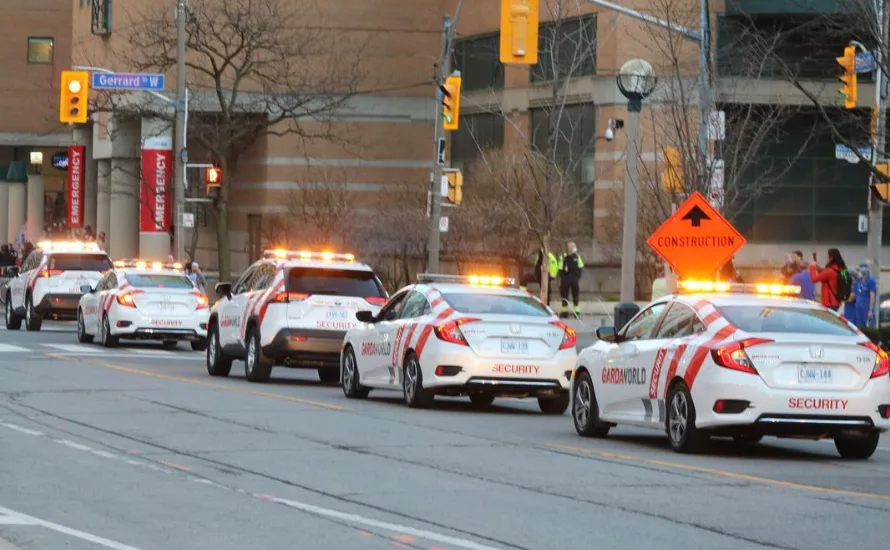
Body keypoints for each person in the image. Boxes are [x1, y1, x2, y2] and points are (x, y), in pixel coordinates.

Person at [557, 241, 584, 318]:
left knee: (575, 295)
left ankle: (577, 312)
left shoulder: (577, 257)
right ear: (569, 248)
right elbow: (560, 269)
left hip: (574, 279)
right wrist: (564, 278)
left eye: (574, 246)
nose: (574, 248)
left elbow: (580, 267)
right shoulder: (563, 257)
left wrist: (577, 278)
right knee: (564, 295)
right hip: (566, 279)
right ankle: (564, 312)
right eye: (572, 247)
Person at [852, 261, 877, 329]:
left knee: (869, 328)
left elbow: (872, 296)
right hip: (858, 309)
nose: (862, 269)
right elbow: (855, 294)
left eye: (864, 267)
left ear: (867, 269)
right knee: (859, 328)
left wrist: (870, 310)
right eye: (861, 267)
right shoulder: (858, 281)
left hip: (867, 308)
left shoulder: (871, 281)